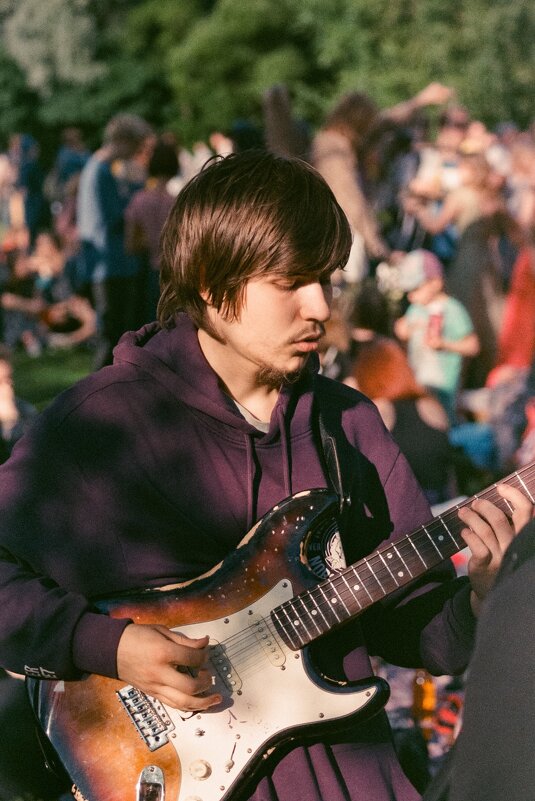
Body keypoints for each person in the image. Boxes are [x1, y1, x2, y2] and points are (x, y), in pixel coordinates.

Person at [0, 152, 532, 801]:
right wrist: (107, 644)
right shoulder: (101, 421)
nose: (319, 306)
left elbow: (414, 628)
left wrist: (479, 597)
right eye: (291, 281)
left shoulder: (348, 425)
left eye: (329, 280)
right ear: (206, 277)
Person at [76, 113, 154, 369]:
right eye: (135, 146)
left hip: (114, 265)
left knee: (116, 336)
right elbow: (114, 217)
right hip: (110, 267)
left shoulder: (103, 171)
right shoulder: (100, 172)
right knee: (113, 339)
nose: (135, 153)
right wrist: (140, 197)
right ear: (121, 140)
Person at [348, 336, 456, 506]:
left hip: (407, 514)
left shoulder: (378, 411)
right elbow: (448, 471)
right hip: (444, 506)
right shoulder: (431, 405)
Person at [394, 249, 480, 423]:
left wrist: (444, 344)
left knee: (443, 422)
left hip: (444, 387)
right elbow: (401, 330)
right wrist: (403, 328)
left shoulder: (453, 310)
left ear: (436, 282)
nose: (410, 296)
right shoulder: (416, 309)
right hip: (418, 382)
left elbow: (473, 346)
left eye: (415, 288)